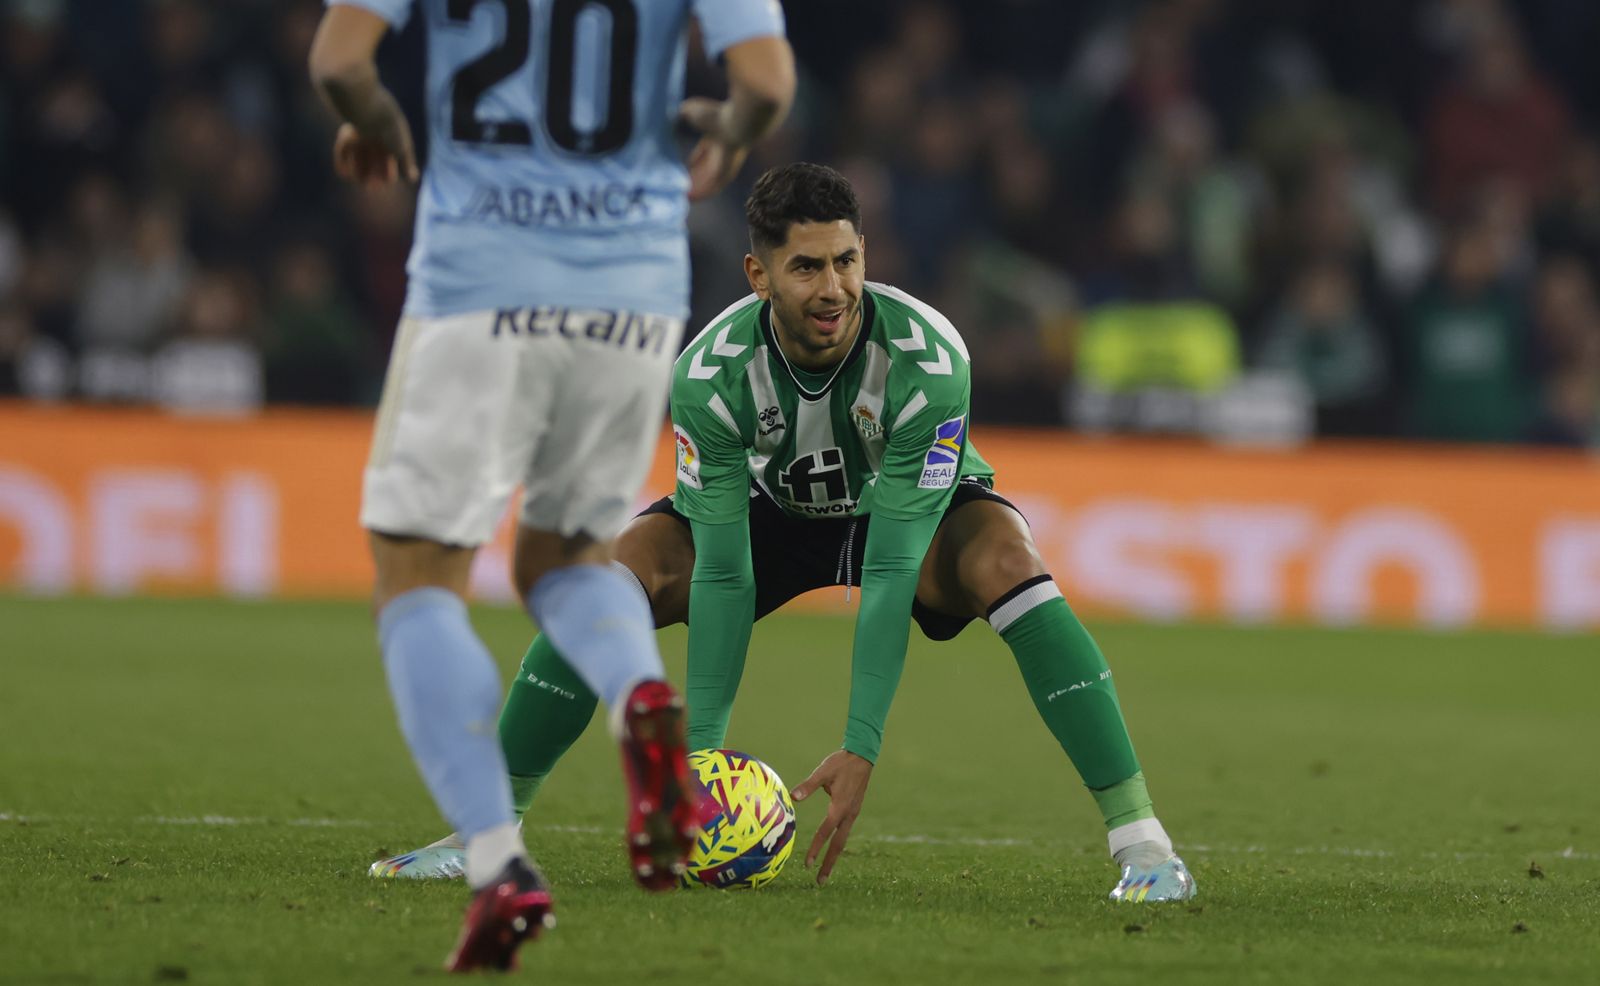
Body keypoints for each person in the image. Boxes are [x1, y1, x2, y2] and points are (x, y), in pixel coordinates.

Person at [373, 163, 1196, 904]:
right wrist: (701, 764)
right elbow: (724, 576)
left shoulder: (929, 359)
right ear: (758, 274)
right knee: (607, 578)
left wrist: (859, 745)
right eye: (807, 267)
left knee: (1008, 559)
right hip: (773, 517)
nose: (833, 287)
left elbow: (894, 563)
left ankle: (1144, 843)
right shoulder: (710, 375)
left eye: (846, 261)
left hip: (903, 514)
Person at [307, 0, 793, 971]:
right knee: (566, 558)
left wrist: (372, 118)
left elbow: (339, 60)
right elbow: (767, 83)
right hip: (632, 295)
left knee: (417, 579)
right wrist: (728, 133)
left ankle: (498, 862)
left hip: (477, 284)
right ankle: (638, 695)